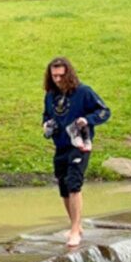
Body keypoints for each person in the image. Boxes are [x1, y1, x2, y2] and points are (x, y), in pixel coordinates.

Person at [42, 57, 111, 247]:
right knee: (64, 187)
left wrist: (87, 120)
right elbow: (46, 114)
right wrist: (46, 125)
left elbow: (104, 111)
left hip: (80, 145)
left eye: (61, 76)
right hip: (61, 145)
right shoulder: (50, 95)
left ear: (69, 74)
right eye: (53, 76)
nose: (57, 79)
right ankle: (76, 225)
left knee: (74, 184)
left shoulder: (84, 92)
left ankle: (75, 230)